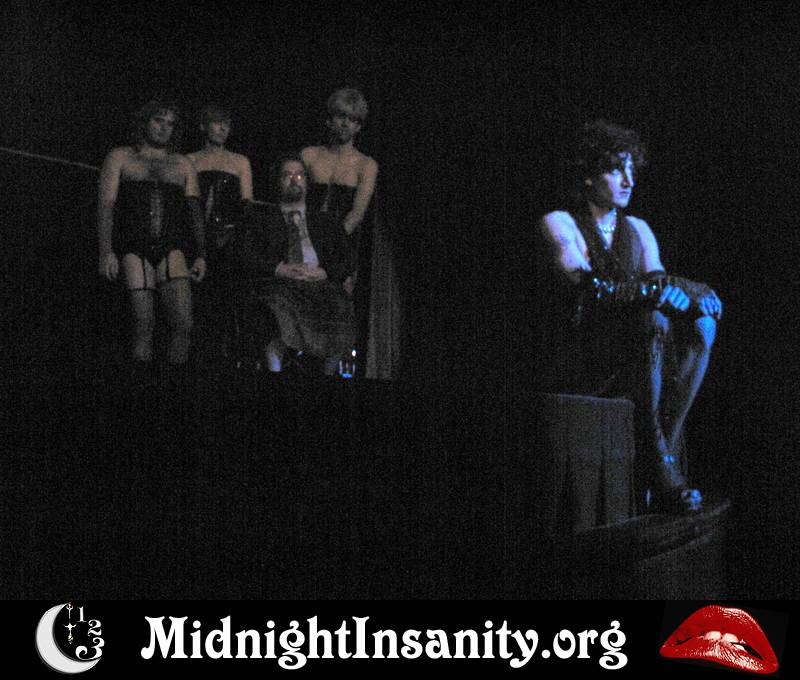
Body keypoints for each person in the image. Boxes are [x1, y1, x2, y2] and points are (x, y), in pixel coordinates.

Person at [538, 120, 722, 514]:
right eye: (615, 170)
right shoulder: (560, 221)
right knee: (652, 316)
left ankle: (663, 447)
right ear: (588, 176)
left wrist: (692, 293)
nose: (628, 180)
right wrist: (653, 293)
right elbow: (584, 286)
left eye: (631, 169)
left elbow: (659, 283)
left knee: (703, 325)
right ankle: (660, 462)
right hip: (585, 353)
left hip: (639, 353)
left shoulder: (638, 229)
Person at [97, 99, 206, 376]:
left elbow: (194, 214)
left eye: (170, 124)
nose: (164, 128)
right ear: (145, 121)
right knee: (143, 324)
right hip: (133, 245)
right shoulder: (121, 157)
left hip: (172, 245)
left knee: (184, 323)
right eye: (159, 120)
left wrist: (201, 255)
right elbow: (106, 206)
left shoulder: (182, 163)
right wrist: (106, 251)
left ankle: (174, 385)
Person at [225, 157, 355, 375]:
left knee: (341, 308)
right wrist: (278, 268)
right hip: (279, 283)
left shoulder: (325, 221)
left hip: (319, 284)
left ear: (307, 182)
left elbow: (349, 257)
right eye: (287, 175)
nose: (295, 180)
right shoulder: (261, 218)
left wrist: (324, 272)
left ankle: (328, 373)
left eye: (300, 175)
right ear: (277, 182)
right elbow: (243, 253)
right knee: (275, 309)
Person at [300, 87, 378, 298]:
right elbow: (294, 203)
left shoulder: (366, 165)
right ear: (329, 119)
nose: (345, 124)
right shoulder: (309, 155)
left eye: (352, 119)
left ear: (358, 126)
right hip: (303, 244)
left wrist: (326, 250)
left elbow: (355, 216)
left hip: (340, 252)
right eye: (341, 116)